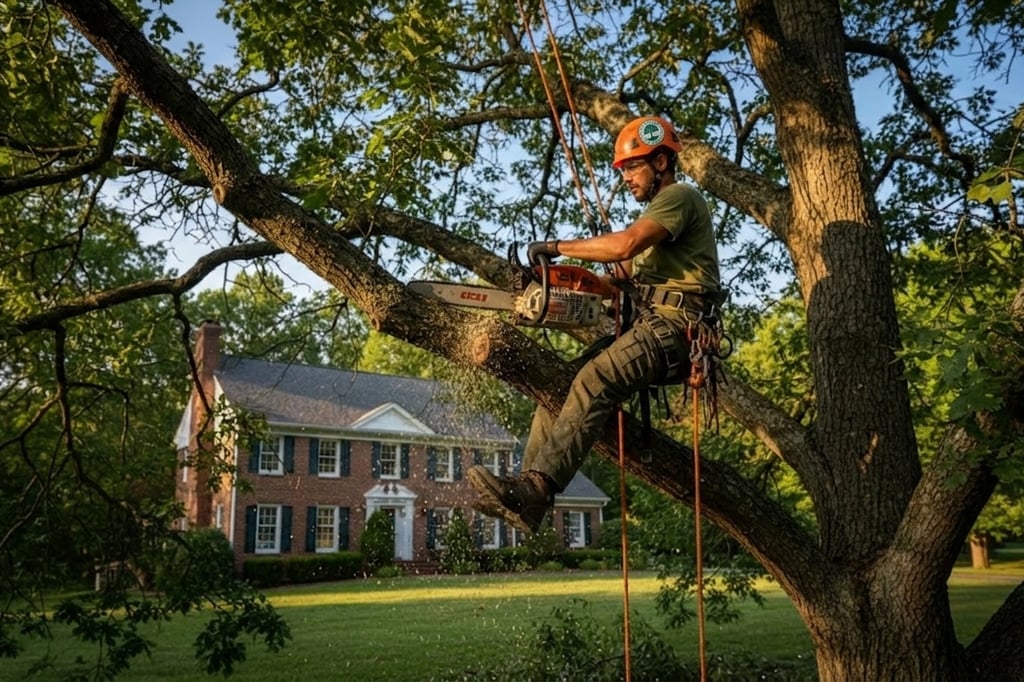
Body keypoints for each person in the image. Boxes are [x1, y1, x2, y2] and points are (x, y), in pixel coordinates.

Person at [467, 115, 722, 534]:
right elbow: (611, 281)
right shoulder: (654, 234)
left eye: (632, 167)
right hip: (650, 324)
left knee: (596, 378)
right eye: (621, 171)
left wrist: (553, 246)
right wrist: (555, 280)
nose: (625, 178)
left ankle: (537, 486)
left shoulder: (679, 197)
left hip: (677, 328)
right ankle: (528, 497)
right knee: (560, 384)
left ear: (660, 161)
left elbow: (623, 244)